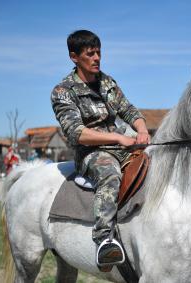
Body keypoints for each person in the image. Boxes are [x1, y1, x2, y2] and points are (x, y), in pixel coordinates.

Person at [51, 30, 150, 266]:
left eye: (99, 52)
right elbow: (76, 133)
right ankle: (105, 240)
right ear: (74, 57)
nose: (97, 58)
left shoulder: (106, 81)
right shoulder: (63, 91)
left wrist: (143, 129)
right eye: (90, 53)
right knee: (110, 174)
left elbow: (128, 109)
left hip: (122, 141)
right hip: (92, 152)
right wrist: (118, 138)